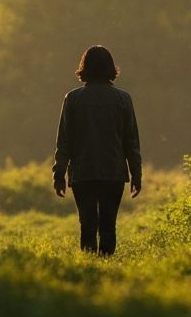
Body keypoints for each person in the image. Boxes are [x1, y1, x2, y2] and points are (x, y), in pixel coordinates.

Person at [52, 44, 142, 256]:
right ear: (110, 68)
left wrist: (59, 174)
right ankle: (107, 266)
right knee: (109, 224)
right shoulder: (123, 99)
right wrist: (136, 173)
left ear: (85, 68)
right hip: (114, 172)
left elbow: (64, 141)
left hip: (83, 172)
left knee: (88, 224)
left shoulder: (72, 99)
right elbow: (131, 141)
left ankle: (90, 265)